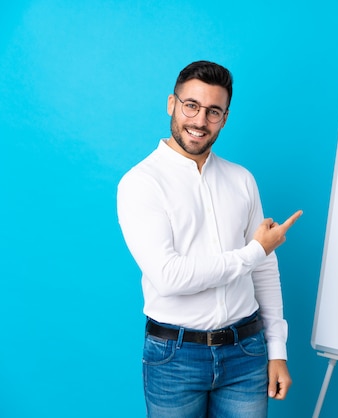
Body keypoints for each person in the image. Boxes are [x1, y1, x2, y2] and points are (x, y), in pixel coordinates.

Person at [117, 60, 302, 418]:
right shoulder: (141, 183)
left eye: (213, 111)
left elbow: (265, 270)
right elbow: (169, 277)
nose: (200, 121)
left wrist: (277, 350)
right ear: (172, 104)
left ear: (225, 117)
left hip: (246, 353)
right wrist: (253, 252)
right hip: (174, 357)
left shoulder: (242, 180)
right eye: (192, 106)